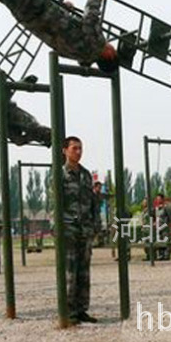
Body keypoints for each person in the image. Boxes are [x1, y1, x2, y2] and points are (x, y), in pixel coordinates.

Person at [61, 136, 102, 325]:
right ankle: (69, 311)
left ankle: (81, 309)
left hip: (84, 229)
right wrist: (57, 227)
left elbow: (93, 203)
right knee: (70, 271)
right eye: (74, 148)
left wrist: (95, 225)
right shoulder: (59, 174)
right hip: (68, 229)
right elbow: (55, 202)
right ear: (65, 151)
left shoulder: (85, 175)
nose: (78, 152)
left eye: (80, 148)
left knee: (84, 272)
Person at [154, 194, 171, 261]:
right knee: (159, 241)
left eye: (159, 199)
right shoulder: (157, 209)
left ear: (162, 199)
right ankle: (160, 255)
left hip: (165, 227)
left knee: (166, 241)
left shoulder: (166, 208)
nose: (158, 200)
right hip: (158, 228)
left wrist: (170, 227)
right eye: (157, 199)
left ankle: (166, 255)